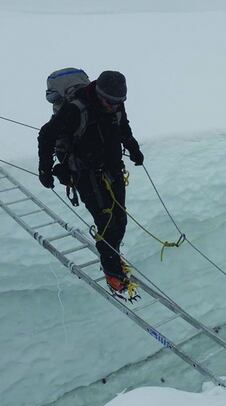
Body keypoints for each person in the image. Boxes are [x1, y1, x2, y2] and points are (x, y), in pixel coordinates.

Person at [37, 70, 144, 298]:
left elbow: (122, 126)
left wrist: (133, 148)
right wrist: (45, 169)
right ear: (98, 93)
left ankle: (112, 253)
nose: (113, 107)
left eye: (119, 103)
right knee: (106, 222)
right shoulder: (75, 109)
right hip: (85, 173)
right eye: (110, 102)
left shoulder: (115, 104)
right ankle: (112, 272)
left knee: (120, 219)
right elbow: (46, 135)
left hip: (112, 168)